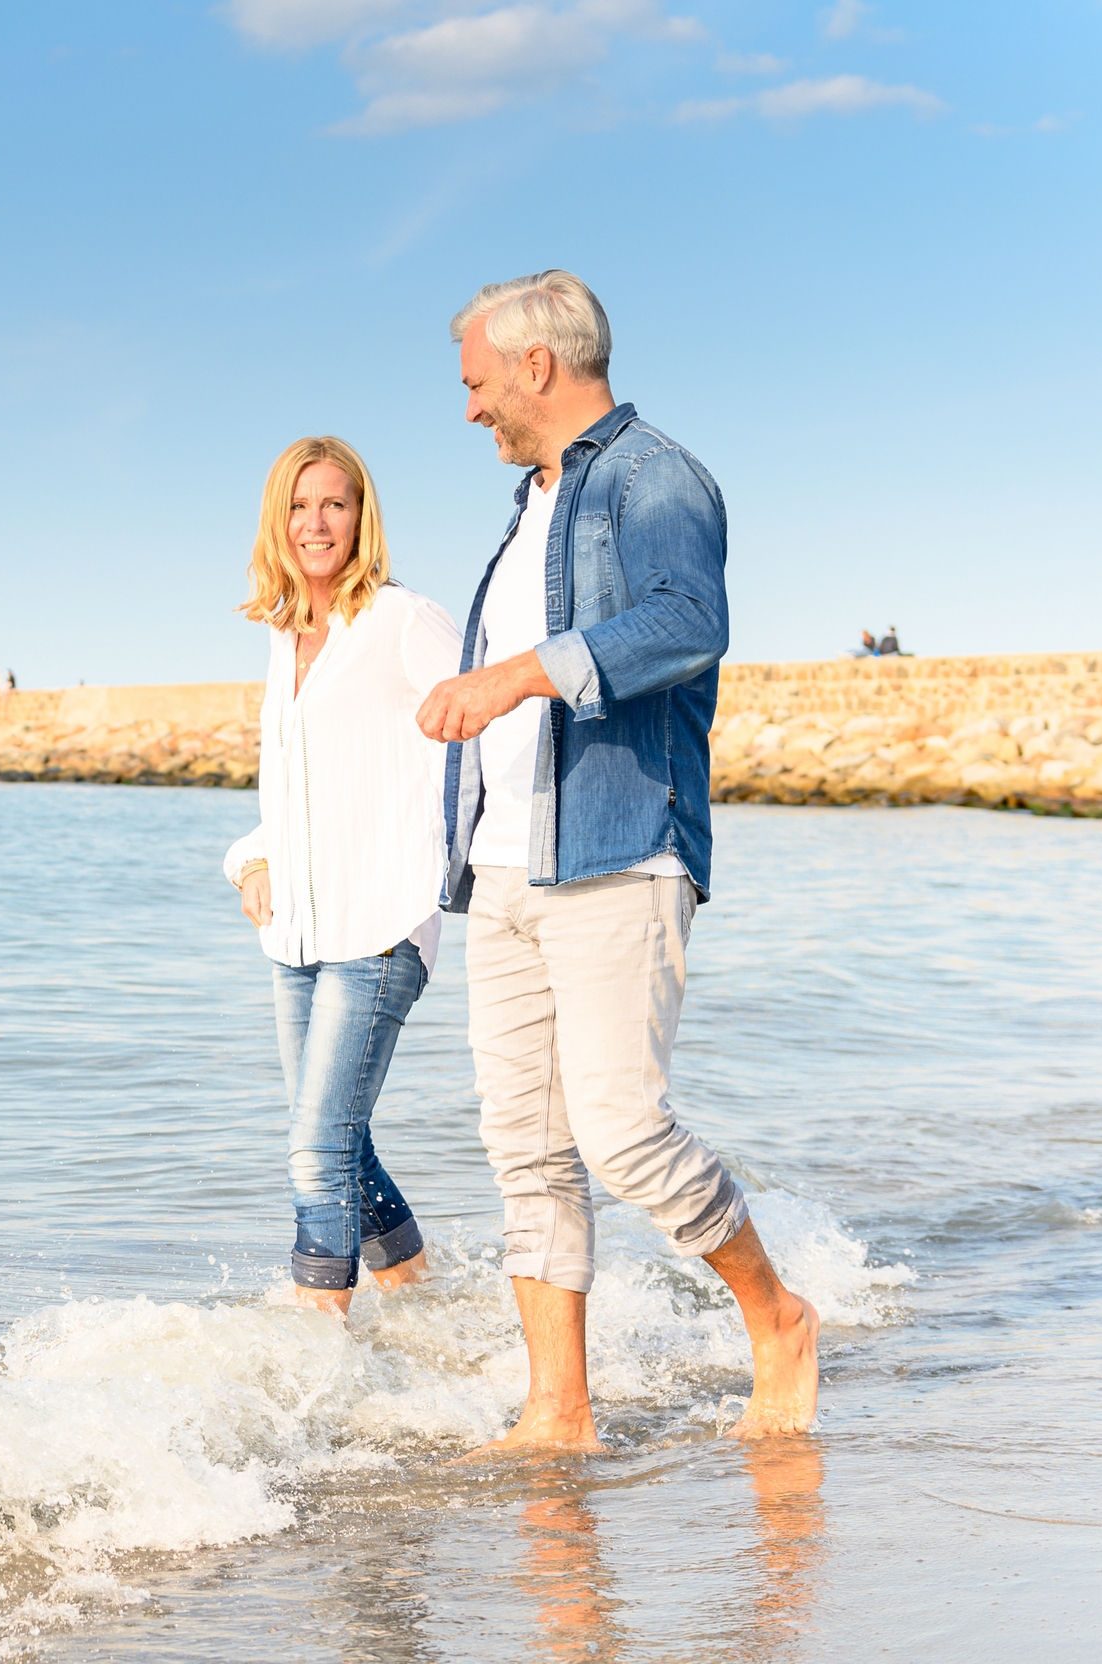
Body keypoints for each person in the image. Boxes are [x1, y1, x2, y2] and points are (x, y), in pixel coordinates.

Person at [416, 269, 818, 1445]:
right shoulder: (529, 506)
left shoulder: (652, 476)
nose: (469, 407)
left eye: (477, 382)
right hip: (504, 868)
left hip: (617, 847)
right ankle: (559, 1408)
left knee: (622, 1131)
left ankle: (778, 1315)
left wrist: (514, 674)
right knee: (526, 1152)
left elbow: (688, 621)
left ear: (535, 365)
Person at [223, 437, 461, 1318]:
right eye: (298, 506)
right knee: (339, 1142)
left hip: (382, 924)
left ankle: (317, 1353)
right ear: (276, 522)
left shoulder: (404, 621)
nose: (316, 523)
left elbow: (482, 745)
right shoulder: (284, 635)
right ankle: (425, 1306)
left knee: (315, 1150)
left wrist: (451, 873)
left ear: (362, 517)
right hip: (295, 935)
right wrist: (252, 858)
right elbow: (297, 791)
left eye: (335, 504)